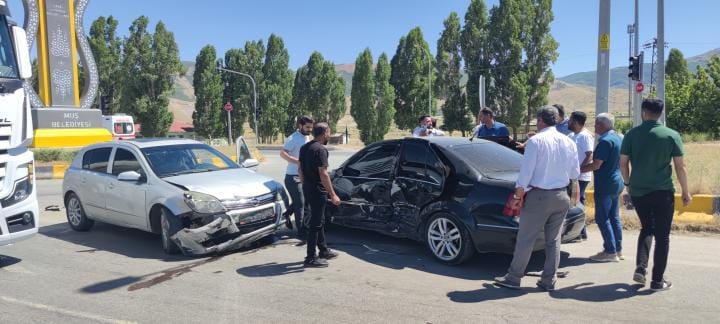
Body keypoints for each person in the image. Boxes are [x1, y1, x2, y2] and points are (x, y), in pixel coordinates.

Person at [494, 106, 580, 292]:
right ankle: (548, 280)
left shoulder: (536, 142)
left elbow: (525, 174)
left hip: (539, 196)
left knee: (526, 238)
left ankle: (514, 277)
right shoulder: (568, 142)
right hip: (561, 196)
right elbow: (575, 172)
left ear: (540, 120)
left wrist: (518, 196)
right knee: (553, 240)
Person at [620, 99, 691, 291]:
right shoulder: (672, 135)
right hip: (663, 192)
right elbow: (680, 166)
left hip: (639, 191)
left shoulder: (631, 134)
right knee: (663, 236)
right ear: (661, 112)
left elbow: (623, 163)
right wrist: (686, 191)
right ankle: (657, 280)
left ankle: (640, 268)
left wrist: (627, 183)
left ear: (643, 111)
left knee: (646, 228)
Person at [581, 113, 624, 262]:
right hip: (617, 182)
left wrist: (577, 170)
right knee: (614, 217)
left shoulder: (605, 141)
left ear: (602, 125)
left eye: (596, 123)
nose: (594, 126)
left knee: (602, 218)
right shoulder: (619, 138)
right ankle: (617, 249)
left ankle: (610, 251)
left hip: (606, 183)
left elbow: (596, 164)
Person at [298, 122, 341, 268]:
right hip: (317, 191)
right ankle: (310, 257)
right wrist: (333, 194)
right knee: (315, 224)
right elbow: (323, 174)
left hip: (308, 188)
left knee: (319, 219)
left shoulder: (305, 148)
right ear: (324, 133)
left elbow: (300, 169)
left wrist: (305, 184)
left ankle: (323, 250)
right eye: (329, 132)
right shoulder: (321, 150)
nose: (329, 135)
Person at [280, 116, 313, 241]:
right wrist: (298, 162)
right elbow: (282, 153)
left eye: (311, 127)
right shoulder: (293, 138)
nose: (309, 129)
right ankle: (301, 232)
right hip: (292, 177)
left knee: (302, 200)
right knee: (301, 204)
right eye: (307, 127)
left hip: (303, 175)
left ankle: (287, 214)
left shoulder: (306, 136)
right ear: (300, 126)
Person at [568, 111, 594, 240]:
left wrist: (579, 169)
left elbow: (589, 155)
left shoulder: (584, 136)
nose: (568, 123)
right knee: (576, 202)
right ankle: (580, 232)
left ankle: (579, 233)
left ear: (576, 122)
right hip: (573, 175)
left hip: (581, 177)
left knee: (577, 202)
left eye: (570, 120)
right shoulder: (572, 135)